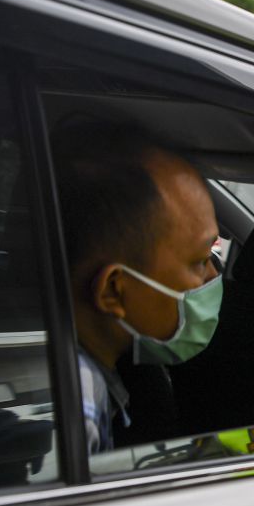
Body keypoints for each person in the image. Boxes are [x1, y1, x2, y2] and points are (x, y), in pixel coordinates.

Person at [54, 122, 221, 453]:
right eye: (199, 261)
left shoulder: (66, 369)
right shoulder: (77, 407)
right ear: (113, 291)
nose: (214, 277)